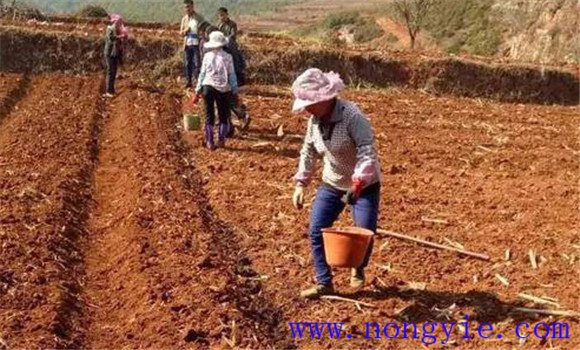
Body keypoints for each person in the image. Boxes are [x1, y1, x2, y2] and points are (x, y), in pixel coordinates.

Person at [291, 68, 382, 299]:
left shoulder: (352, 116)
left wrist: (359, 182)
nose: (306, 109)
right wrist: (301, 182)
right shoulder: (314, 121)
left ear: (325, 99)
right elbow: (308, 151)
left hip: (364, 185)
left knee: (365, 232)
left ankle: (358, 266)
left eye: (310, 103)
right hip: (332, 182)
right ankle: (324, 282)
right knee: (316, 230)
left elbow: (366, 151)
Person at [194, 31, 238, 150]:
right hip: (223, 89)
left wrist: (198, 90)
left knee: (209, 115)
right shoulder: (228, 57)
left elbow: (202, 74)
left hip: (208, 87)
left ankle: (209, 141)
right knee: (223, 115)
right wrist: (235, 90)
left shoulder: (207, 56)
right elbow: (232, 75)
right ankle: (221, 140)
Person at [180, 0, 208, 88]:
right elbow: (181, 33)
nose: (187, 9)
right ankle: (189, 81)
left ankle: (199, 82)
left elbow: (205, 29)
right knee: (188, 63)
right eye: (186, 7)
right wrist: (185, 31)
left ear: (193, 6)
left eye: (189, 6)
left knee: (198, 63)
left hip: (197, 44)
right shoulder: (184, 19)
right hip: (188, 44)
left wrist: (200, 35)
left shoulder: (199, 17)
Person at [103, 14, 128, 97]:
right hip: (109, 53)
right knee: (110, 71)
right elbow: (111, 39)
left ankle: (112, 90)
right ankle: (108, 91)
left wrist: (123, 38)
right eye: (118, 22)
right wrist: (121, 36)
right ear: (115, 22)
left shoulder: (117, 30)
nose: (119, 24)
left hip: (114, 53)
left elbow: (121, 40)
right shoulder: (110, 29)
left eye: (120, 22)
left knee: (114, 72)